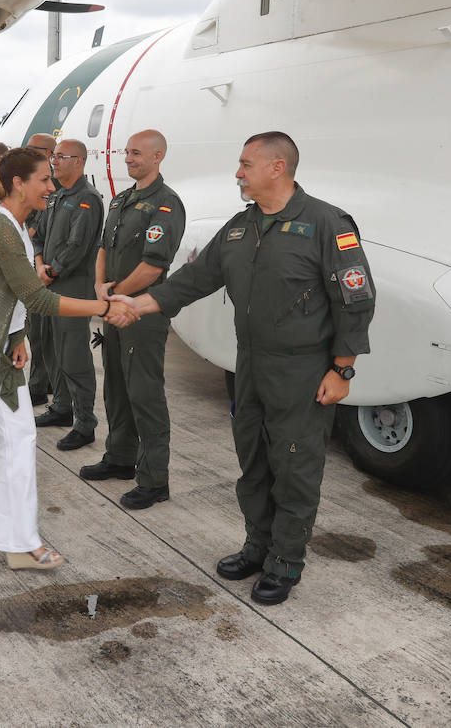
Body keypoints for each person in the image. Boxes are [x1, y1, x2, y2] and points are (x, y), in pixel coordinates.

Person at [116, 132, 375, 605]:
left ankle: (286, 562)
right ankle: (258, 547)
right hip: (250, 366)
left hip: (302, 371)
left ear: (277, 168)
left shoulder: (326, 224)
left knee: (295, 466)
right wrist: (138, 304)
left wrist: (343, 369)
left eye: (245, 165)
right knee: (253, 462)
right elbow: (193, 279)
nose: (238, 173)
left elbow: (355, 299)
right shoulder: (239, 228)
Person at [0, 147, 134, 570]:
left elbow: (12, 294)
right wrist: (103, 308)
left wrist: (17, 336)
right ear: (19, 183)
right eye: (43, 180)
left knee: (20, 437)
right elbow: (35, 295)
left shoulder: (19, 225)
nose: (51, 188)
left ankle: (19, 542)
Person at [80, 130, 186, 509]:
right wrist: (99, 288)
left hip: (142, 314)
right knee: (117, 389)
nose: (129, 159)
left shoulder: (166, 204)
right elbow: (104, 248)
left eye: (137, 153)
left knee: (145, 394)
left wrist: (117, 294)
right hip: (114, 309)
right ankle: (120, 458)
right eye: (127, 153)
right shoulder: (122, 200)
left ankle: (155, 479)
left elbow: (154, 266)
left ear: (158, 155)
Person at [32, 139, 105, 451]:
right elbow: (40, 235)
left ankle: (85, 423)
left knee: (74, 357)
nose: (54, 162)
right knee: (52, 352)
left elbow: (77, 246)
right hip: (49, 285)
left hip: (72, 290)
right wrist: (39, 264)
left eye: (61, 157)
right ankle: (61, 408)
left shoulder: (87, 199)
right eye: (55, 156)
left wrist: (51, 271)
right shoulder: (56, 196)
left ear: (79, 161)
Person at [22, 133, 58, 407]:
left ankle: (41, 386)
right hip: (32, 262)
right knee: (35, 332)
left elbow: (38, 228)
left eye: (33, 149)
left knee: (43, 334)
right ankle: (38, 383)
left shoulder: (51, 188)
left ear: (48, 153)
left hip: (41, 268)